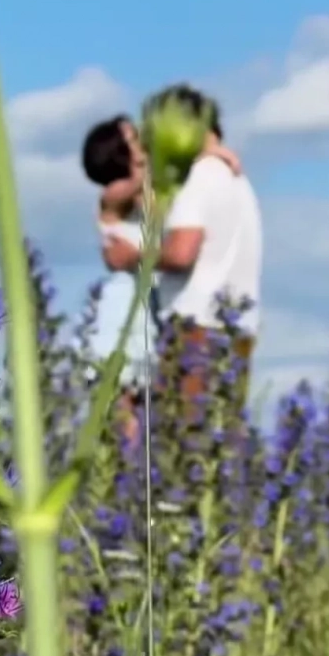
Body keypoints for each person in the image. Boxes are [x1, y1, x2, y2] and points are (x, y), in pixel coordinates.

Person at [101, 86, 262, 415]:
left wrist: (132, 255)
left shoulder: (199, 179)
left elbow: (181, 252)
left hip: (197, 330)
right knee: (225, 430)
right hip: (239, 328)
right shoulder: (236, 178)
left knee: (184, 429)